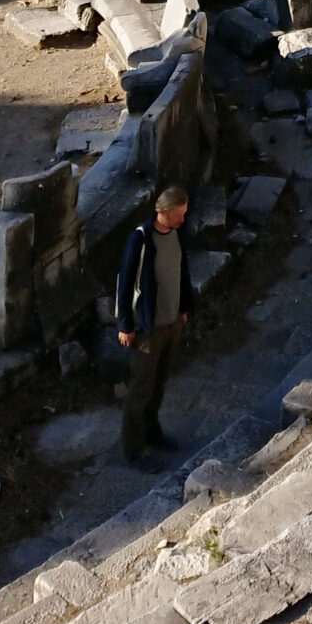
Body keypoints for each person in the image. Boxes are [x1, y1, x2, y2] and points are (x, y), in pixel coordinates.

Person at [116, 183, 196, 463]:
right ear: (163, 212)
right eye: (179, 214)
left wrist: (184, 308)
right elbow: (125, 283)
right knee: (141, 389)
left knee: (159, 383)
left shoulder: (176, 233)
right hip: (147, 329)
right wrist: (125, 326)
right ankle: (133, 450)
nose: (183, 219)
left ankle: (152, 432)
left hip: (172, 323)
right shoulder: (140, 239)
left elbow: (181, 271)